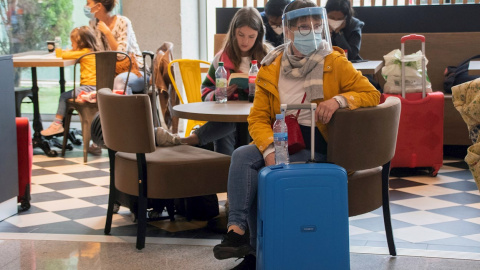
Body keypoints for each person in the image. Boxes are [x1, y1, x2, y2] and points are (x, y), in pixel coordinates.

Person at [212, 1, 380, 269]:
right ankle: (237, 232)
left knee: (256, 175)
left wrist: (338, 100)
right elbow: (257, 118)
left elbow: (372, 93)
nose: (310, 32)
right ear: (288, 30)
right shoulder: (272, 65)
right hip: (278, 136)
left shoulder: (333, 62)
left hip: (316, 141)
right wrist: (268, 151)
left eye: (316, 26)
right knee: (243, 156)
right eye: (303, 27)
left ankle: (256, 254)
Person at [156, 7, 272, 156]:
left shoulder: (268, 57)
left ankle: (187, 140)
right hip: (228, 116)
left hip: (258, 114)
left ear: (259, 35)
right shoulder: (222, 58)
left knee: (228, 123)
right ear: (233, 33)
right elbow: (205, 91)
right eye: (240, 35)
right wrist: (219, 93)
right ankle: (223, 169)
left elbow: (276, 90)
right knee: (227, 123)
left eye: (251, 36)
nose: (245, 41)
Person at [41, 26, 105, 150]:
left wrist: (62, 49)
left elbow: (61, 54)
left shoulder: (84, 51)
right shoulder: (94, 50)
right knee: (67, 95)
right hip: (98, 87)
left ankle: (57, 124)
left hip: (89, 88)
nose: (71, 45)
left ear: (80, 43)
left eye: (73, 43)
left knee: (64, 96)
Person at [85, 0, 147, 94]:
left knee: (120, 81)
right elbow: (96, 53)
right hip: (112, 72)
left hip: (136, 72)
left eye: (88, 3)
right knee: (95, 86)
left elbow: (120, 55)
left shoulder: (123, 22)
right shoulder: (93, 25)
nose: (86, 7)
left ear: (99, 6)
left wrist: (107, 33)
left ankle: (124, 109)